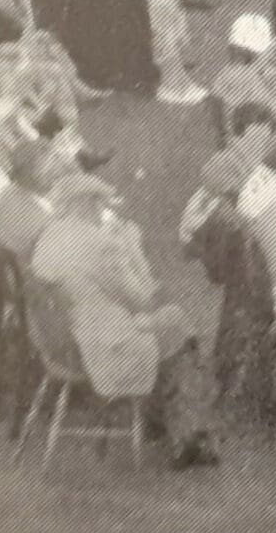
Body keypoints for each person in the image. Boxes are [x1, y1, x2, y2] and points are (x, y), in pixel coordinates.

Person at [28, 173, 221, 469]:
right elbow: (142, 297)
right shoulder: (101, 244)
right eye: (101, 205)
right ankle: (187, 436)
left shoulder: (49, 236)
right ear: (87, 205)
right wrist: (133, 248)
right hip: (104, 345)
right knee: (177, 325)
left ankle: (161, 420)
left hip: (62, 341)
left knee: (167, 325)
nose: (103, 212)